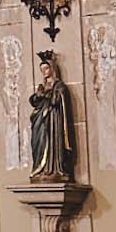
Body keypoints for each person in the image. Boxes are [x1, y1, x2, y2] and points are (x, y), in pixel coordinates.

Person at [29, 51, 75, 180]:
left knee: (52, 142)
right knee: (39, 143)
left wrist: (44, 96)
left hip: (53, 120)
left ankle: (54, 167)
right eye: (42, 69)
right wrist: (37, 96)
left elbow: (56, 100)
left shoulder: (59, 85)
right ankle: (40, 167)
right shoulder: (42, 86)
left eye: (46, 68)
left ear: (52, 68)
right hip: (41, 121)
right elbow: (34, 101)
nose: (44, 72)